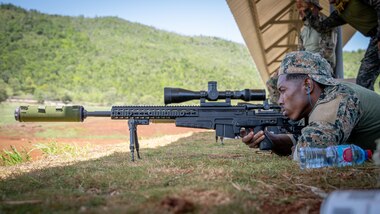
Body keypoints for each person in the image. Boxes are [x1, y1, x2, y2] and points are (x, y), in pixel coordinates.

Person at [242, 51, 380, 157]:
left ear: (308, 85)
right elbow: (299, 139)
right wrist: (270, 140)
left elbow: (310, 151)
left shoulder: (339, 96)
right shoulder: (317, 102)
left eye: (283, 91)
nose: (280, 100)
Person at [299, 0, 380, 91]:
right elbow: (321, 27)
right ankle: (370, 105)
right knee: (364, 80)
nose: (329, 1)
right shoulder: (341, 12)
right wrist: (306, 10)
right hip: (375, 38)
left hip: (378, 35)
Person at [296, 0, 337, 71]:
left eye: (304, 9)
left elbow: (327, 52)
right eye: (300, 9)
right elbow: (300, 51)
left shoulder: (325, 23)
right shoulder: (303, 29)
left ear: (313, 8)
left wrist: (308, 62)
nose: (300, 12)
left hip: (323, 66)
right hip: (308, 65)